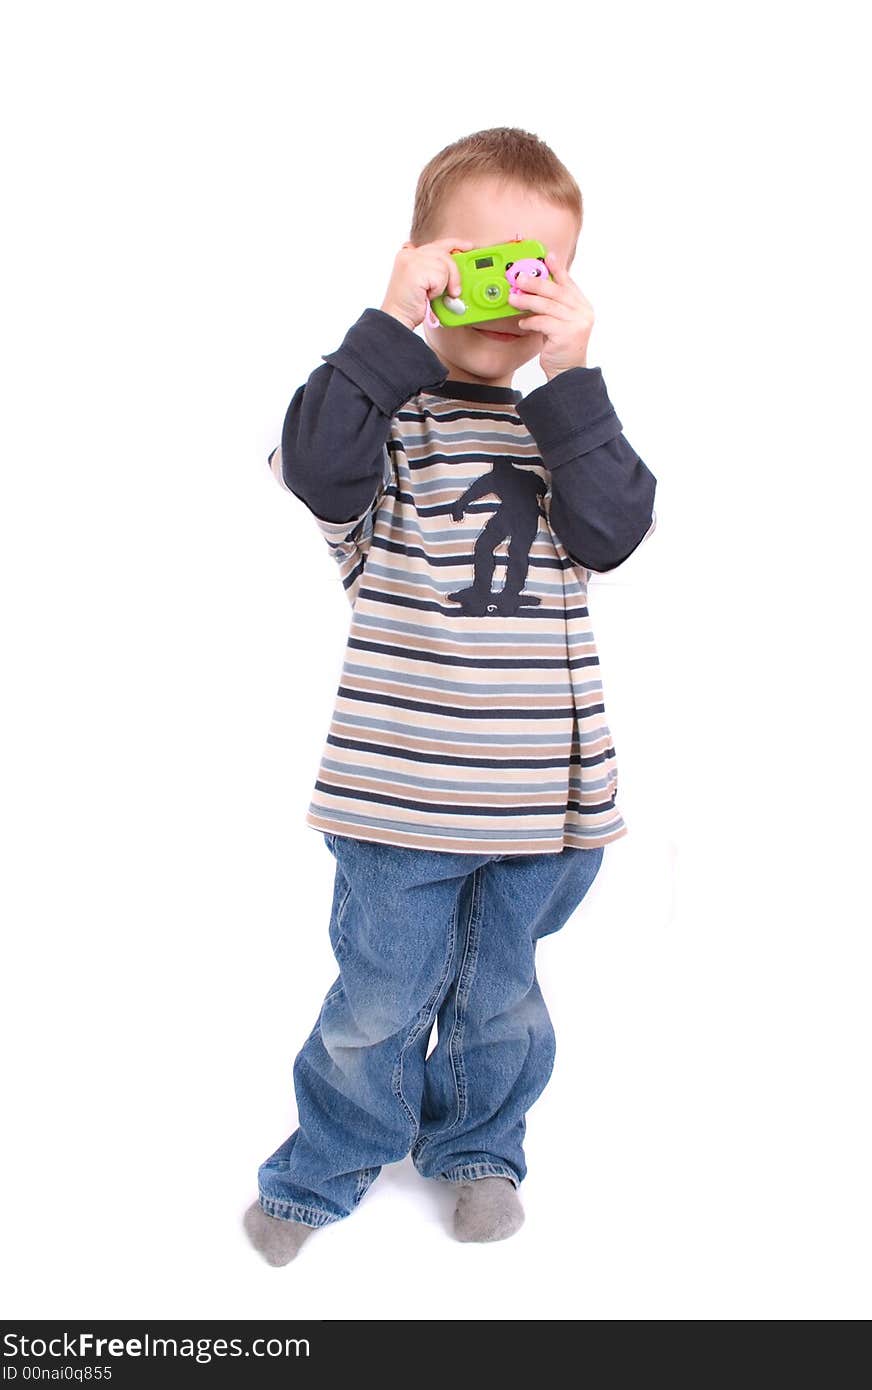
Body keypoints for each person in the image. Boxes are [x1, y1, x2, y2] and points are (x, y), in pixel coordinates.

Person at [245, 127, 657, 1265]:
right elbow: (314, 461)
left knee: (505, 1000)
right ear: (426, 259)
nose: (499, 291)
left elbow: (616, 530)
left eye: (533, 271)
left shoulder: (565, 433)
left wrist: (571, 374)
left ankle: (479, 1147)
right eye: (473, 261)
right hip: (399, 797)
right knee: (377, 1001)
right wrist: (391, 327)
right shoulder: (377, 423)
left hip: (545, 804)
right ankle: (326, 1162)